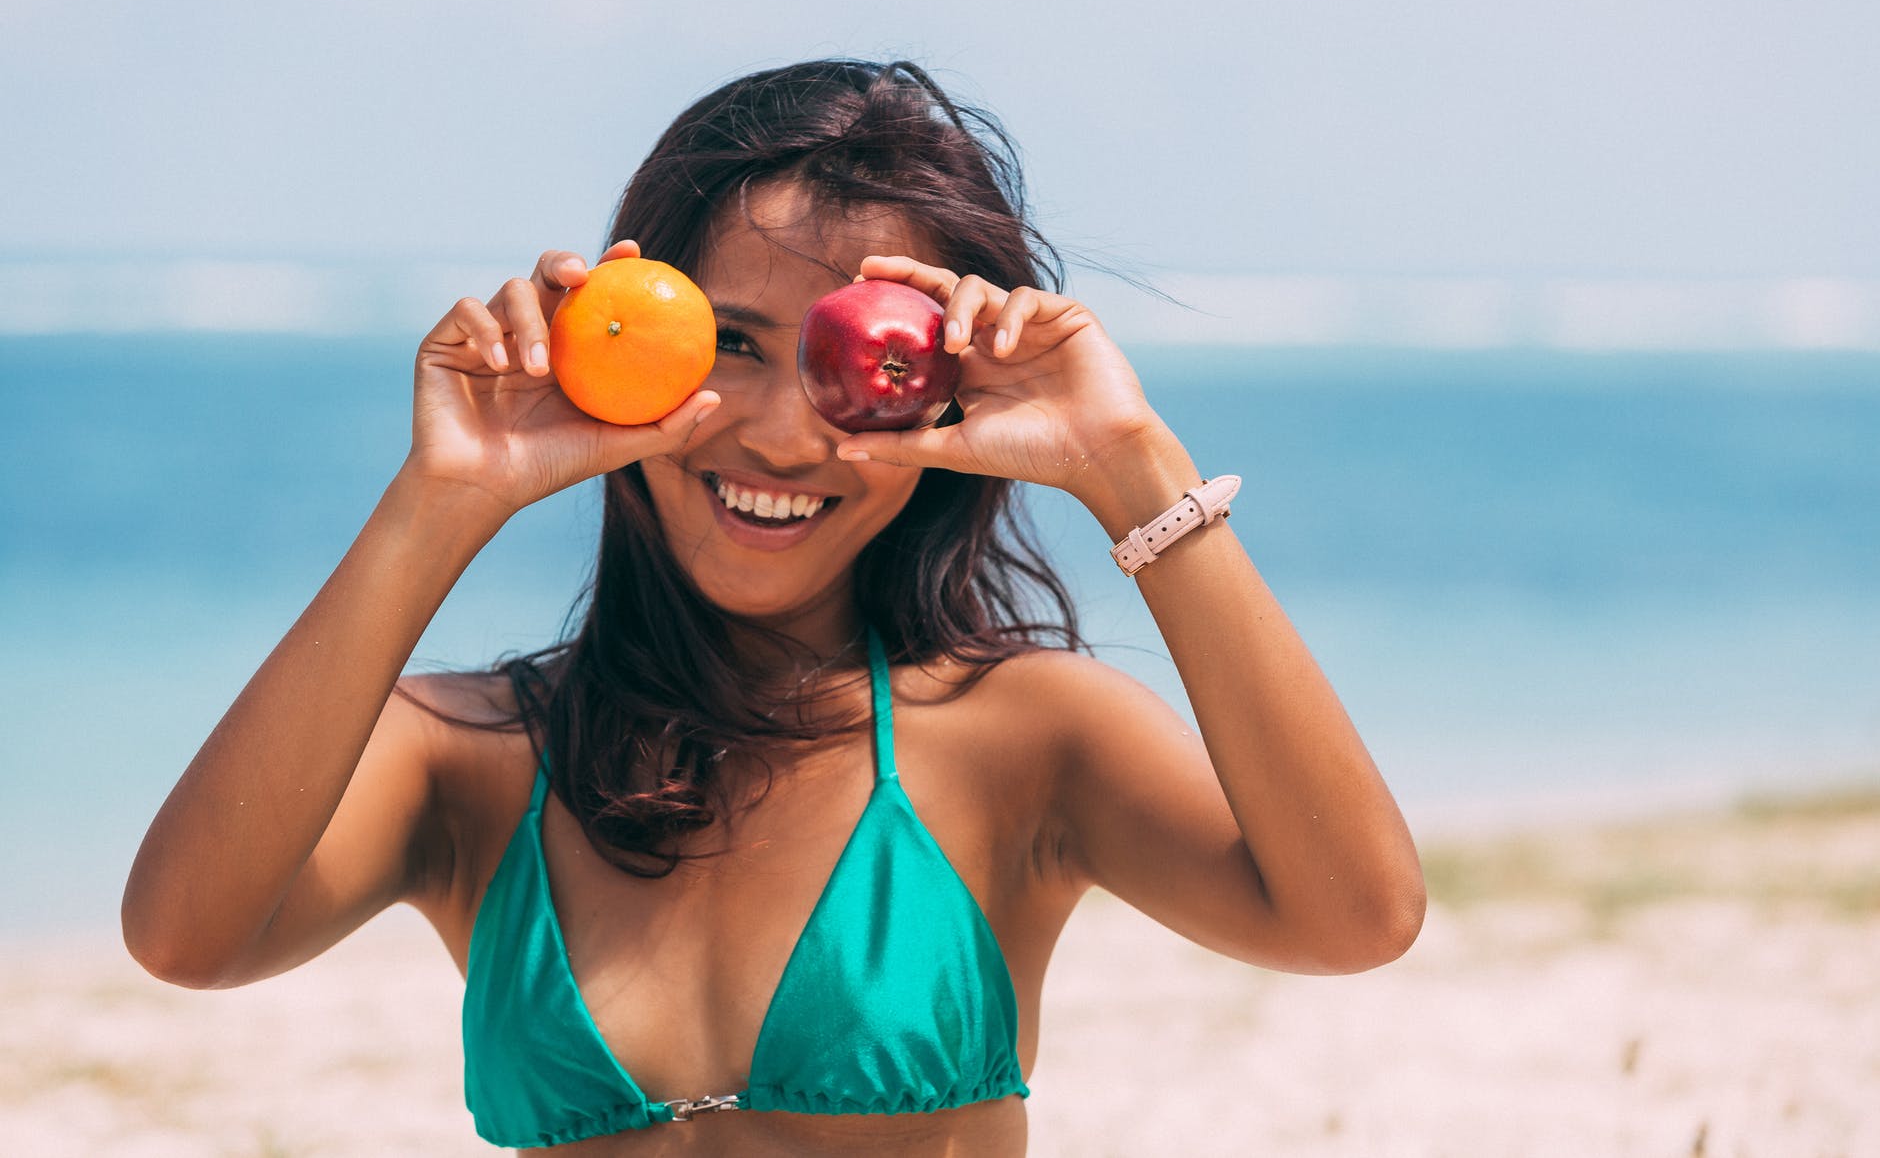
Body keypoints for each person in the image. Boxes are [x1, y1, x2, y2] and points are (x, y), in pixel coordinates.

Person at [123, 59, 1424, 1155]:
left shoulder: (1022, 737)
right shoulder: (471, 758)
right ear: (624, 345)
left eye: (851, 365)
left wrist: (1130, 461)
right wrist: (441, 499)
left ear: (941, 395)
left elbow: (1357, 917)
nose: (782, 437)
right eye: (730, 342)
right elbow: (186, 935)